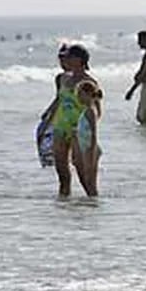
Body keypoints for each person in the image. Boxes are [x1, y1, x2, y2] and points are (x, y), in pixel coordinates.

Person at [49, 44, 100, 198]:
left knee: (83, 173)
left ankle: (92, 202)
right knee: (62, 172)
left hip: (78, 130)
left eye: (70, 57)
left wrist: (86, 129)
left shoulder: (89, 82)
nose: (66, 60)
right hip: (60, 127)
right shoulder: (64, 79)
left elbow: (97, 111)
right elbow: (59, 101)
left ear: (80, 59)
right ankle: (63, 204)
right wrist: (47, 122)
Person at [75, 80, 103, 197]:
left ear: (88, 94)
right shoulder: (86, 110)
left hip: (90, 147)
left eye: (80, 94)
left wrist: (92, 151)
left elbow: (94, 133)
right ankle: (92, 200)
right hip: (85, 146)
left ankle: (93, 201)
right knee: (87, 179)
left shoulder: (91, 111)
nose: (78, 97)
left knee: (90, 180)